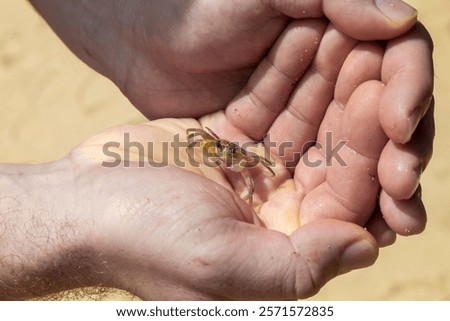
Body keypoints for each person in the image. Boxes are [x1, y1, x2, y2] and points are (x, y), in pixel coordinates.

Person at [0, 0, 434, 300]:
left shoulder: (239, 155)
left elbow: (247, 164)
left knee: (250, 160)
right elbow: (200, 145)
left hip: (236, 151)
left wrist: (135, 24)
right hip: (217, 145)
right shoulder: (204, 144)